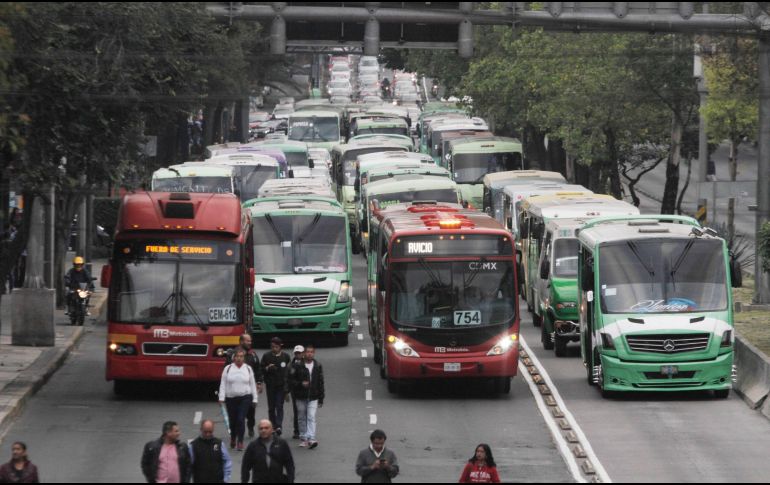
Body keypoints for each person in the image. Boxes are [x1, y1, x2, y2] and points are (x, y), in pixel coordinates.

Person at [225, 335, 264, 438]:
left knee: (251, 411)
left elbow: (258, 369)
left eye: (250, 341)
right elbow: (227, 370)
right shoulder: (232, 354)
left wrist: (259, 382)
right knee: (237, 413)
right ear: (241, 341)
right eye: (247, 341)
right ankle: (238, 430)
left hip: (249, 389)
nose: (250, 343)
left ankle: (250, 426)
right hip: (235, 390)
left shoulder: (253, 354)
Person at [219, 348, 259, 451]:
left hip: (245, 397)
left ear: (244, 358)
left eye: (241, 357)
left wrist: (255, 398)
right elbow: (223, 383)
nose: (239, 359)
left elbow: (252, 384)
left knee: (241, 419)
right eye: (237, 356)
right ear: (234, 358)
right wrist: (221, 397)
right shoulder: (228, 369)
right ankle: (233, 437)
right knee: (233, 421)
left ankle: (240, 441)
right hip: (231, 398)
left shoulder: (248, 369)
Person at [291, 343, 324, 449]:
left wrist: (321, 398)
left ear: (313, 354)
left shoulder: (317, 365)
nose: (309, 354)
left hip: (313, 396)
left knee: (311, 416)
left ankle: (311, 438)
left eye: (311, 352)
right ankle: (303, 437)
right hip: (300, 396)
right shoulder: (297, 365)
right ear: (304, 354)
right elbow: (292, 380)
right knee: (301, 417)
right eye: (307, 352)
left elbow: (320, 382)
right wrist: (301, 383)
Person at [241, 420, 295, 484]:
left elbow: (289, 464)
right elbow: (245, 467)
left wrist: (291, 480)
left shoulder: (281, 443)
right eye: (261, 428)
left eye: (266, 428)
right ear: (258, 431)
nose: (263, 430)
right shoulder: (253, 446)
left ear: (272, 430)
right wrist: (244, 481)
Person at [260, 337, 291, 436]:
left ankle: (279, 426)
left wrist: (287, 390)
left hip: (281, 386)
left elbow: (289, 373)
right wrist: (267, 368)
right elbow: (261, 369)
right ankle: (272, 426)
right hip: (270, 386)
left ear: (280, 347)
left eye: (276, 347)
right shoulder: (266, 356)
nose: (274, 349)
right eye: (272, 347)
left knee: (279, 406)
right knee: (271, 407)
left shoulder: (286, 356)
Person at [188, 420, 232, 484]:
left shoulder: (219, 444)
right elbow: (189, 466)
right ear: (201, 429)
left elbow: (227, 461)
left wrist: (226, 479)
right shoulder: (194, 445)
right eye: (205, 432)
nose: (208, 434)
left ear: (213, 430)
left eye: (210, 432)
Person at [288, 345, 305, 440]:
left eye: (300, 353)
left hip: (306, 391)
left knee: (305, 411)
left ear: (303, 353)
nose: (298, 354)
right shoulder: (291, 365)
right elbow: (289, 378)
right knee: (297, 411)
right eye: (296, 353)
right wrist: (287, 390)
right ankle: (297, 431)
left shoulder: (307, 363)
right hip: (295, 391)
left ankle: (305, 430)